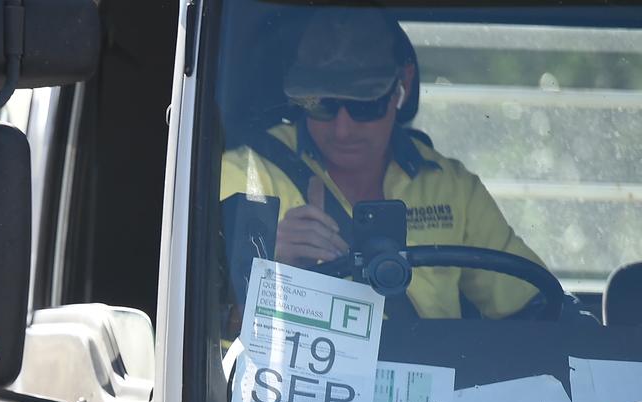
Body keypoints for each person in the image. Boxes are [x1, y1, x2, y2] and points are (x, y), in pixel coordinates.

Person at [221, 6, 547, 319]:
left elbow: (535, 307)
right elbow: (202, 333)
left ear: (401, 85)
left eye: (365, 106)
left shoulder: (450, 186)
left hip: (435, 374)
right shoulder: (244, 175)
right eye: (322, 105)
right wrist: (269, 268)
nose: (343, 129)